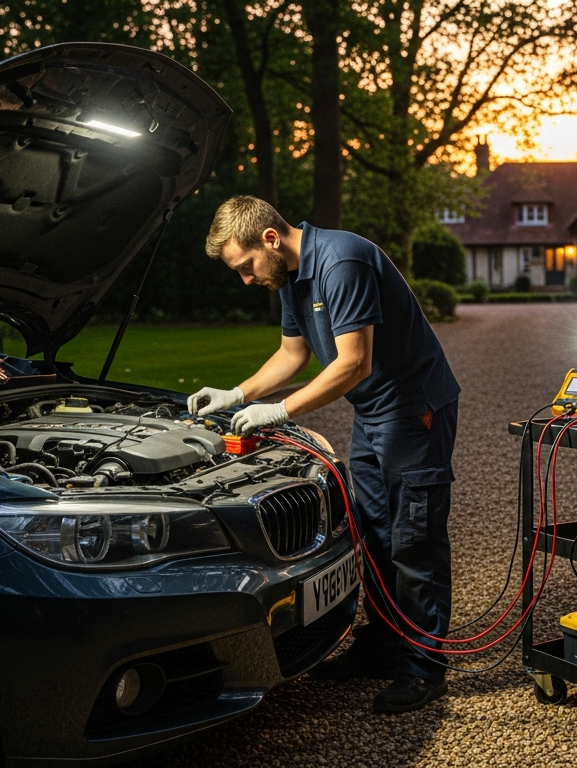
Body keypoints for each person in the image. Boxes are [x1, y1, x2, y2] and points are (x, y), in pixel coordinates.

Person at [192, 196, 459, 714]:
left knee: (414, 539)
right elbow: (294, 353)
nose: (247, 280)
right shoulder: (289, 275)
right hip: (374, 413)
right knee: (376, 534)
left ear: (270, 238)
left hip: (414, 410)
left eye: (246, 267)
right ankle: (385, 648)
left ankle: (425, 669)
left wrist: (280, 411)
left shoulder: (341, 262)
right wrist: (239, 394)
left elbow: (353, 363)